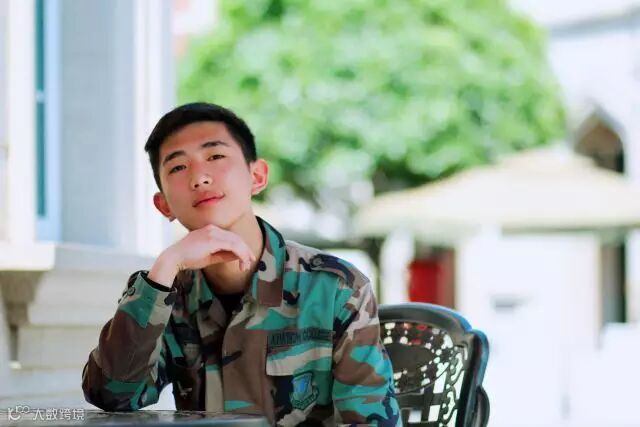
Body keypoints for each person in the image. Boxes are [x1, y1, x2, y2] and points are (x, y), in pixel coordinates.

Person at [81, 102, 401, 426]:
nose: (199, 177)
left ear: (257, 176)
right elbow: (111, 396)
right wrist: (167, 264)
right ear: (164, 205)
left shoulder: (335, 287)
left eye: (215, 156)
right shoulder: (162, 293)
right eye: (177, 167)